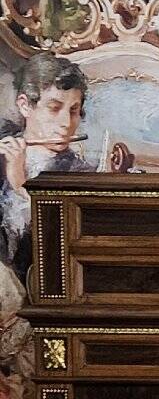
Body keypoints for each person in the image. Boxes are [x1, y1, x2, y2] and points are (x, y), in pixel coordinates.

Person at [0, 53, 91, 283]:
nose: (66, 123)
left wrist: (20, 185)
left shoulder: (81, 175)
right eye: (54, 108)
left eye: (73, 110)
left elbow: (61, 248)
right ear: (25, 106)